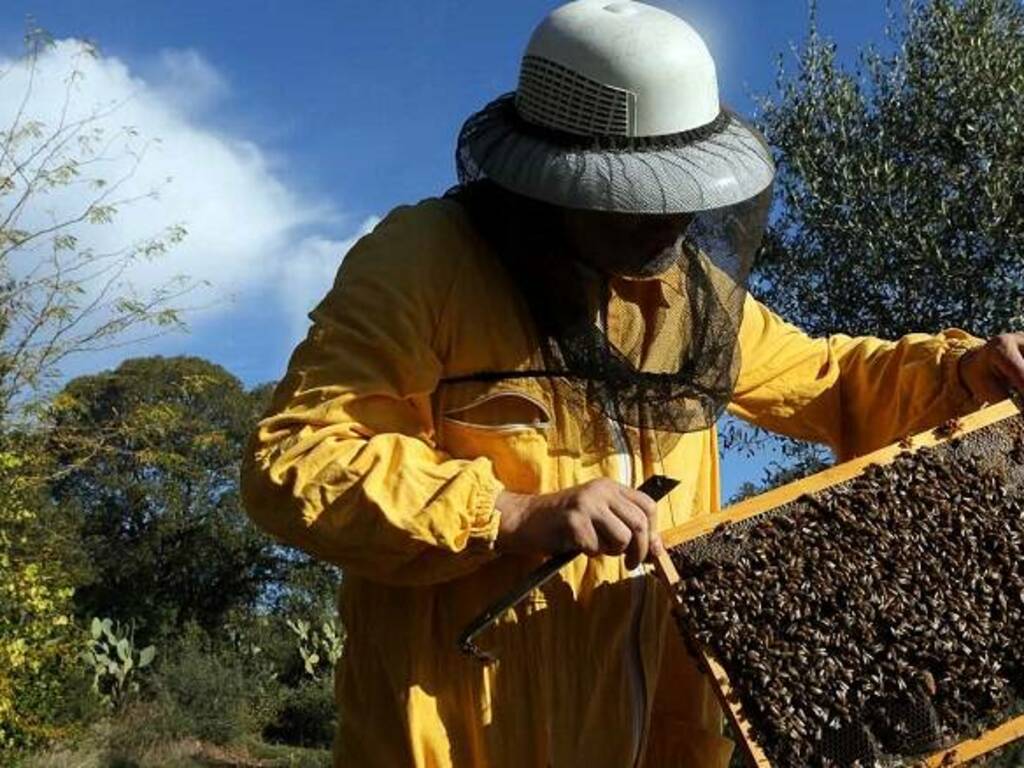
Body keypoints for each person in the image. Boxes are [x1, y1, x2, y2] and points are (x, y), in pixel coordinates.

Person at [240, 2, 1024, 766]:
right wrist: (512, 512)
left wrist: (961, 374)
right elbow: (297, 462)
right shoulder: (425, 262)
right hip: (461, 738)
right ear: (547, 182)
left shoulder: (693, 301)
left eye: (680, 189)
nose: (667, 220)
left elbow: (832, 380)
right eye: (637, 194)